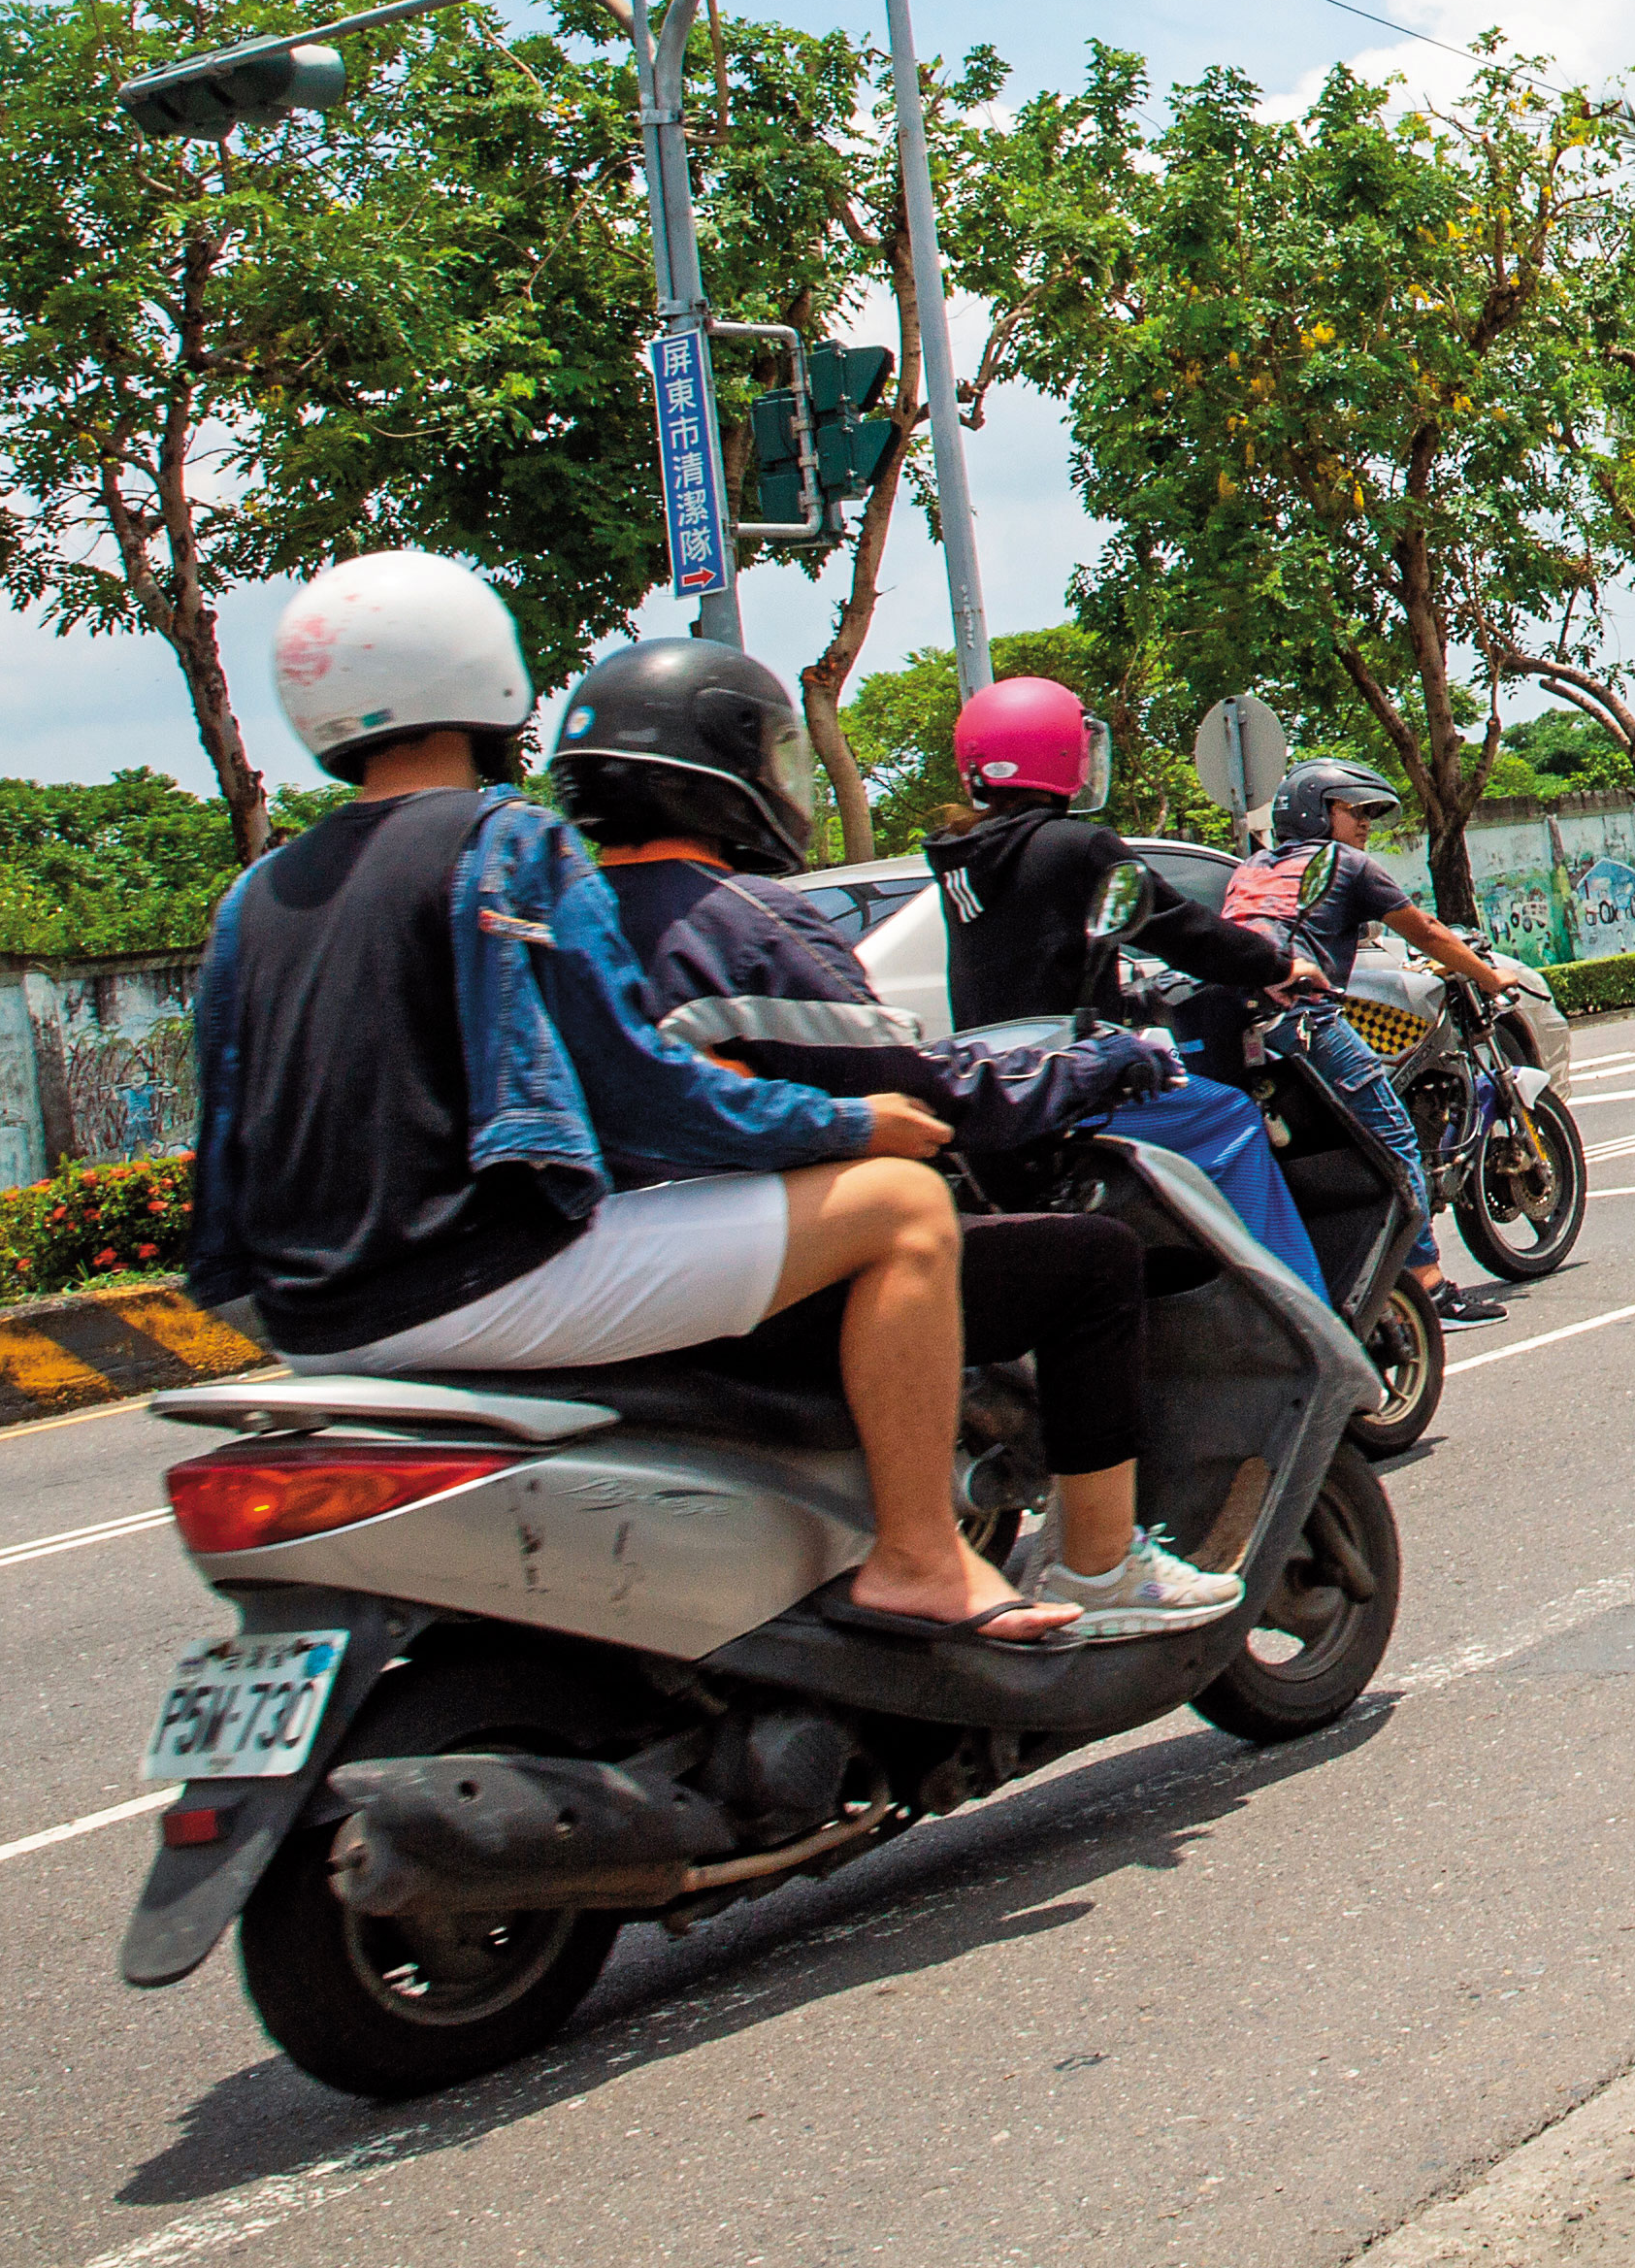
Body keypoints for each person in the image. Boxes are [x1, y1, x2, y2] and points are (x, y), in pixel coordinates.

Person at [180, 554, 1076, 1647]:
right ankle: (924, 1559)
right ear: (491, 684)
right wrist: (851, 1125)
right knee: (901, 1209)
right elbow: (643, 1093)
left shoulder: (253, 897)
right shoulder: (504, 843)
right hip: (475, 1281)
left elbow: (223, 1136)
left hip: (311, 1330)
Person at [540, 641, 1248, 1645]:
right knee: (1090, 1263)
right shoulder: (745, 927)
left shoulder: (551, 928)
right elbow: (922, 1100)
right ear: (725, 777)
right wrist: (1103, 1068)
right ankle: (1098, 1561)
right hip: (750, 1274)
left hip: (591, 1276)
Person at [916, 675, 1337, 1300]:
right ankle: (1307, 1310)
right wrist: (1278, 967)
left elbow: (1038, 956)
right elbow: (1184, 930)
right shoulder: (1077, 845)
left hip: (1001, 1088)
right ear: (1058, 754)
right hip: (1076, 1079)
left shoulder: (961, 859)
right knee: (1232, 1118)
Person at [1226, 760, 1523, 1326]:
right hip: (1308, 1024)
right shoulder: (1345, 864)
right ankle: (1430, 1289)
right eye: (1352, 810)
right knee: (1393, 1140)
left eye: (1368, 813)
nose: (1364, 823)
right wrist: (1493, 976)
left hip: (1242, 1034)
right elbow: (1426, 932)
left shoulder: (1252, 869)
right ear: (1318, 812)